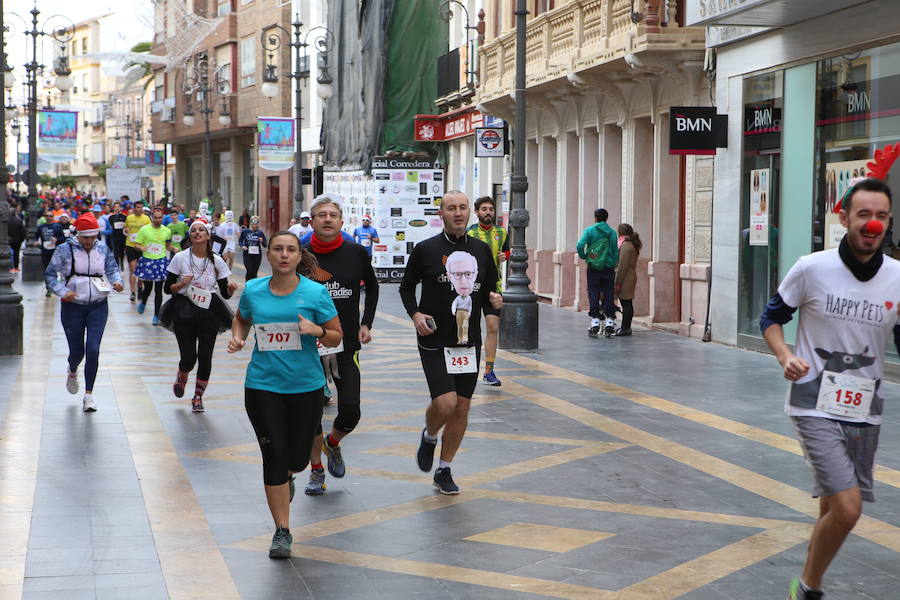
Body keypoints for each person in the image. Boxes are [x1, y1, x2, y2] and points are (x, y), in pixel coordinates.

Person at [760, 178, 900, 600]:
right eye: (863, 215)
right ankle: (808, 587)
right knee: (848, 508)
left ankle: (810, 568)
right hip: (812, 401)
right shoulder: (811, 268)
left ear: (889, 221)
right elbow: (771, 319)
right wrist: (786, 356)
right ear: (844, 218)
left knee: (832, 508)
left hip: (864, 408)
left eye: (880, 216)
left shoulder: (898, 277)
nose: (872, 224)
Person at [227, 231, 342, 559]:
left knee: (298, 458)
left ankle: (291, 473)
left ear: (297, 255)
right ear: (268, 253)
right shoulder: (253, 290)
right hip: (263, 387)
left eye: (290, 249)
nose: (284, 255)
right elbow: (241, 320)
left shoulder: (316, 293)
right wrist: (238, 338)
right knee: (274, 456)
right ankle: (282, 530)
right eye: (277, 249)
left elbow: (336, 336)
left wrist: (317, 331)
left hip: (305, 387)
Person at [399, 191, 503, 495]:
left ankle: (444, 469)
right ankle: (429, 435)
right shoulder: (425, 250)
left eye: (462, 208)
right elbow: (406, 288)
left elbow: (489, 290)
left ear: (469, 212)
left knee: (461, 408)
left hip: (468, 343)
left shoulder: (482, 250)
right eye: (451, 208)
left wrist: (495, 302)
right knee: (445, 402)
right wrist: (415, 314)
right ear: (441, 213)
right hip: (434, 338)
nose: (458, 213)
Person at [301, 194, 379, 496]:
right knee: (309, 413)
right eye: (322, 214)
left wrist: (366, 323)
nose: (328, 219)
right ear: (312, 220)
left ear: (342, 221)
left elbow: (371, 287)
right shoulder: (301, 253)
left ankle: (332, 443)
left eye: (333, 214)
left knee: (351, 411)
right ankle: (316, 472)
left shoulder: (356, 252)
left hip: (346, 344)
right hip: (308, 346)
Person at [44, 212, 124, 412]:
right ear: (77, 235)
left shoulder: (103, 248)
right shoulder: (64, 250)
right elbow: (50, 276)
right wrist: (64, 292)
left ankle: (89, 395)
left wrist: (118, 282)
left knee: (94, 348)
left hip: (98, 304)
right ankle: (72, 369)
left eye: (93, 237)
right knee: (77, 352)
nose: (89, 241)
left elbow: (113, 269)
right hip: (72, 306)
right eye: (85, 237)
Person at [163, 219, 237, 412]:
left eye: (201, 230)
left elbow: (224, 293)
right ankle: (182, 375)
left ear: (208, 235)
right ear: (190, 235)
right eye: (194, 230)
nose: (197, 233)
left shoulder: (217, 260)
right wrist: (181, 284)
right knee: (189, 357)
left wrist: (230, 290)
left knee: (205, 357)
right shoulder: (179, 257)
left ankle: (198, 397)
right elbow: (167, 288)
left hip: (209, 310)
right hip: (184, 309)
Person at [466, 196, 509, 386]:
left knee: (492, 327)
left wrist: (504, 256)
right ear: (476, 212)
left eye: (491, 209)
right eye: (484, 209)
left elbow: (507, 252)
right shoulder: (469, 233)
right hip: (471, 288)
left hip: (494, 287)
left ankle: (489, 372)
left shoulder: (502, 232)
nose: (488, 212)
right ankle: (466, 368)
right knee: (468, 329)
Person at [576, 208, 619, 338]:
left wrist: (585, 256)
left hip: (594, 266)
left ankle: (595, 321)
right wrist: (613, 262)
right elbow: (615, 251)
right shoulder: (611, 233)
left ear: (595, 218)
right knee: (608, 292)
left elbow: (580, 245)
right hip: (608, 267)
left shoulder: (589, 231)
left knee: (593, 292)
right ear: (606, 218)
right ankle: (609, 322)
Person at [135, 208, 173, 325]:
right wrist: (141, 248)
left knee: (158, 290)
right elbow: (137, 244)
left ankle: (156, 315)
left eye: (160, 217)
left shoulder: (167, 231)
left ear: (163, 217)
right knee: (148, 288)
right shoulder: (144, 230)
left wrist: (175, 250)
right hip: (148, 261)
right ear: (151, 217)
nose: (157, 220)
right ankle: (144, 301)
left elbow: (168, 246)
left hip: (160, 261)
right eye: (155, 217)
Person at [614, 224, 641, 337]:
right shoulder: (631, 244)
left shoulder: (626, 246)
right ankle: (626, 327)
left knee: (626, 303)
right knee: (627, 303)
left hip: (626, 278)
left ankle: (625, 328)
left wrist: (617, 281)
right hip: (629, 276)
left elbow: (622, 266)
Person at [35, 211, 67, 296]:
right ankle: (48, 288)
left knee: (54, 270)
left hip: (54, 252)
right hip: (44, 251)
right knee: (46, 270)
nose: (48, 217)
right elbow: (36, 236)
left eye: (50, 216)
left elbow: (63, 239)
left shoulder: (57, 226)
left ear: (53, 217)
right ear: (44, 217)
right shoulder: (41, 227)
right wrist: (36, 241)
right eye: (47, 215)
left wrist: (57, 240)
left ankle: (53, 286)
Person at [125, 201, 151, 301]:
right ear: (134, 208)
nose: (139, 209)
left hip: (141, 246)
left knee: (140, 270)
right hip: (130, 245)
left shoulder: (146, 218)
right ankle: (132, 292)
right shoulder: (129, 218)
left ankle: (140, 287)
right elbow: (126, 228)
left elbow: (150, 231)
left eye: (141, 207)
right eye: (138, 207)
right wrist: (126, 229)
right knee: (133, 268)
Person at [239, 216, 267, 281]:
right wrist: (242, 246)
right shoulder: (245, 231)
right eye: (253, 222)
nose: (255, 224)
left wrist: (262, 241)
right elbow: (240, 240)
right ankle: (248, 285)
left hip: (257, 255)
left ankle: (253, 286)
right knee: (249, 270)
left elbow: (265, 245)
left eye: (257, 222)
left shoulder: (260, 233)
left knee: (254, 272)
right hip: (247, 254)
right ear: (250, 222)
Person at [107, 202, 127, 269]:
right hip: (114, 236)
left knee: (121, 251)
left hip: (122, 236)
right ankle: (117, 264)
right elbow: (110, 225)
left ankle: (121, 262)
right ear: (113, 208)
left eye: (118, 206)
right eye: (116, 207)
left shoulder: (124, 216)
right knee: (116, 251)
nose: (117, 208)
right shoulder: (111, 217)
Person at [7, 206, 26, 274]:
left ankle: (10, 267)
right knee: (16, 253)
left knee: (8, 254)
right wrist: (23, 238)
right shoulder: (19, 220)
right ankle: (16, 267)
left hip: (8, 240)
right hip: (17, 240)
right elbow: (22, 231)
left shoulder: (6, 221)